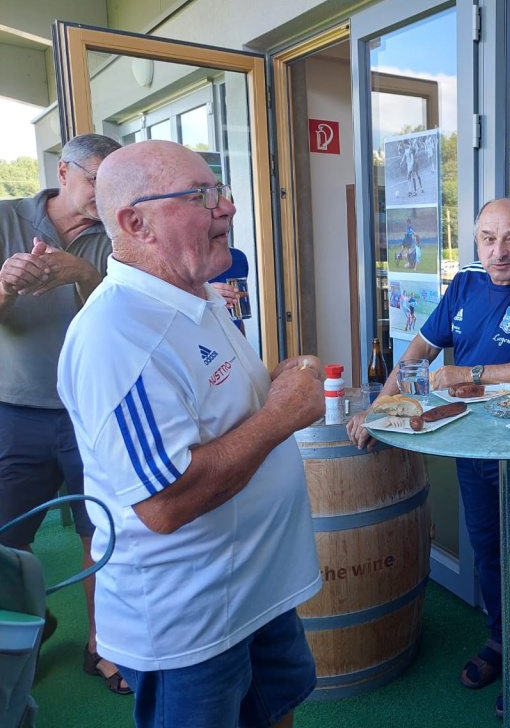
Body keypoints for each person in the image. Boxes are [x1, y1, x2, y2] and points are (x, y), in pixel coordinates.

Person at [57, 140, 325, 728]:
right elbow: (165, 502)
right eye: (202, 196)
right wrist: (282, 413)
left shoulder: (197, 292)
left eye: (220, 191)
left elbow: (213, 406)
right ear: (136, 223)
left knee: (277, 710)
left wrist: (276, 382)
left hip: (256, 591)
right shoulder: (115, 337)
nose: (227, 207)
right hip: (194, 623)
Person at [347, 198, 510, 718]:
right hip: (469, 444)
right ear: (476, 242)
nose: (500, 252)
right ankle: (499, 640)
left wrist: (467, 374)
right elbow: (419, 352)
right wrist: (380, 407)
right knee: (488, 550)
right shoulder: (466, 281)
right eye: (488, 239)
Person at [0, 133, 129, 695]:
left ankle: (103, 646)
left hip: (94, 411)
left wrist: (81, 273)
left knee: (100, 533)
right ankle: (27, 627)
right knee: (6, 540)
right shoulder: (6, 219)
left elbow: (127, 316)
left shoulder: (119, 230)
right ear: (63, 172)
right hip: (16, 409)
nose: (105, 192)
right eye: (96, 178)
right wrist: (6, 287)